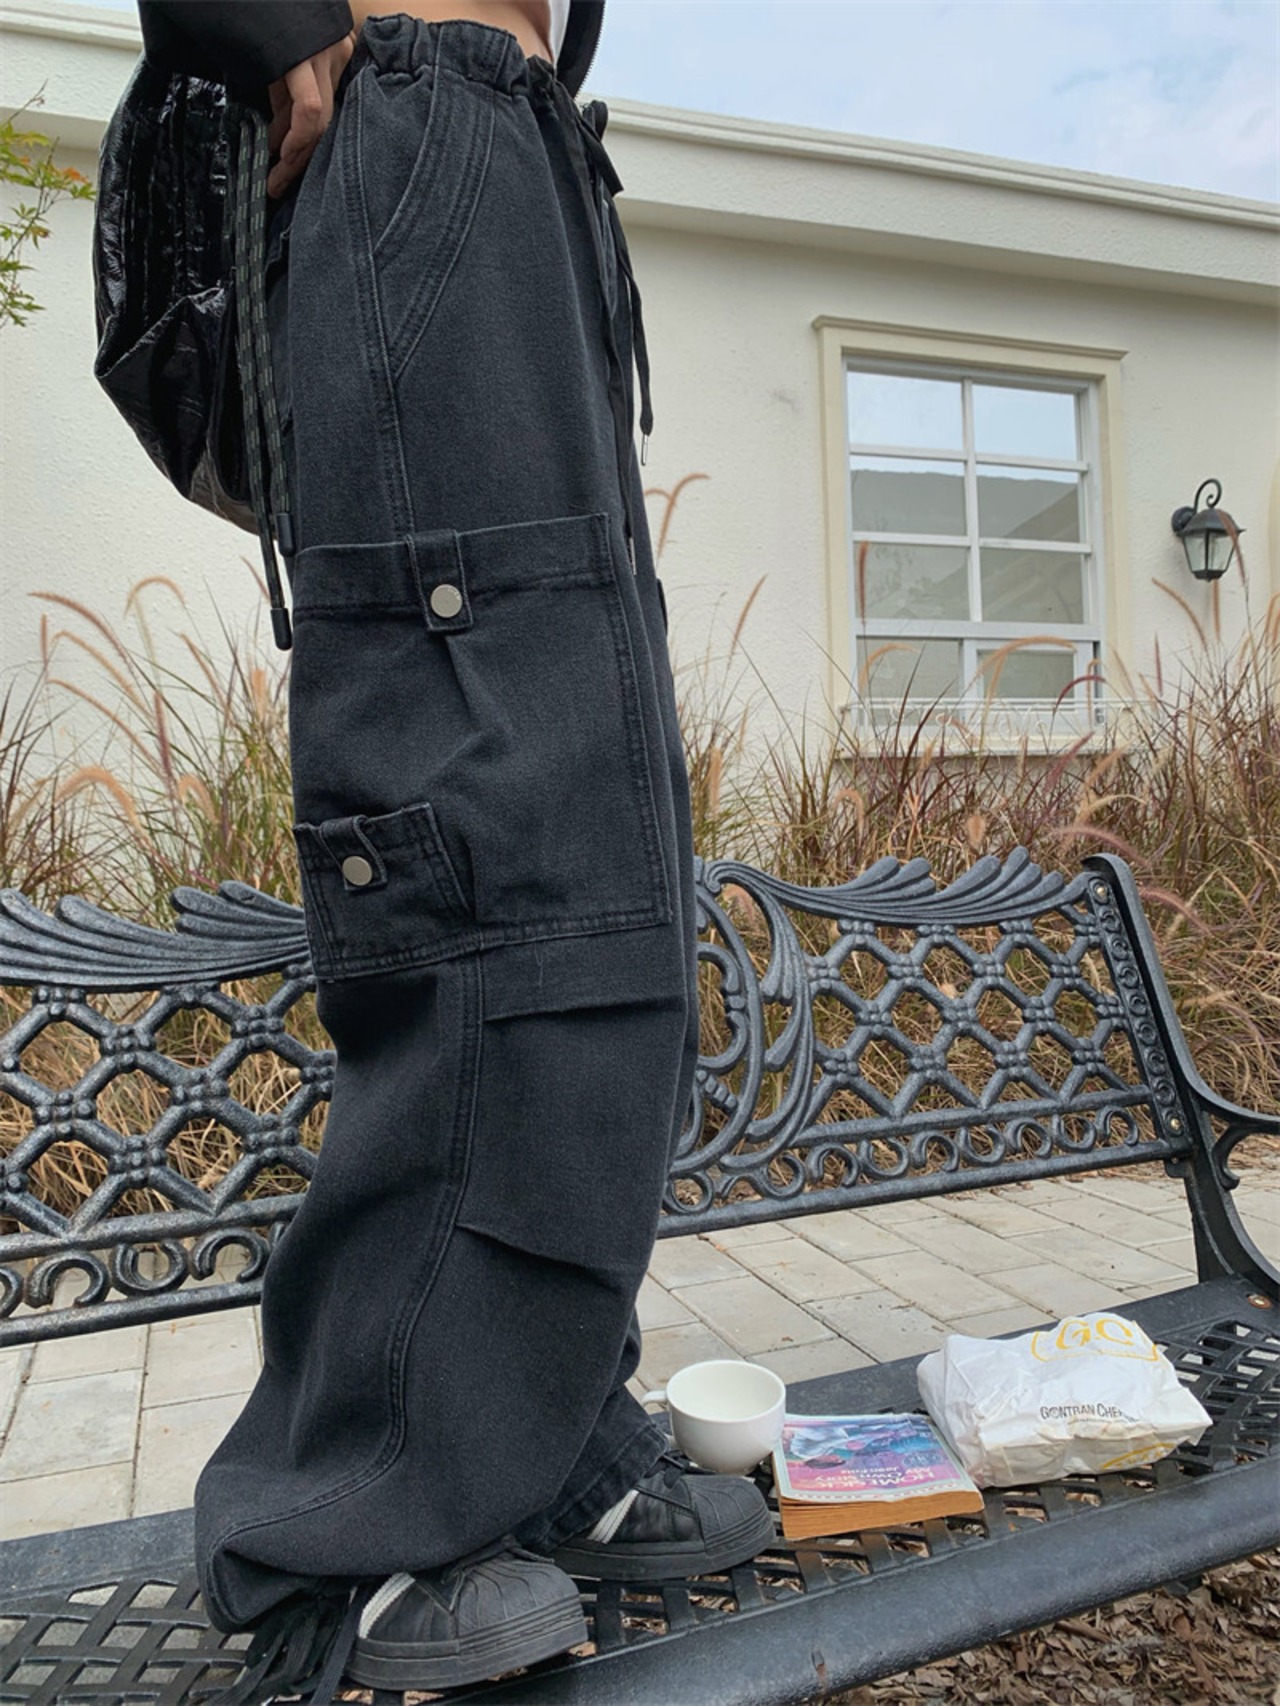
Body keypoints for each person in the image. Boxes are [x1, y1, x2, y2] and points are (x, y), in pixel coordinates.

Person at [131, 2, 775, 1699]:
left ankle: (531, 1425)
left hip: (522, 144)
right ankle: (347, 1509)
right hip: (405, 105)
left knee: (599, 848)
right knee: (480, 823)